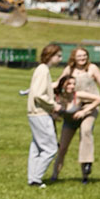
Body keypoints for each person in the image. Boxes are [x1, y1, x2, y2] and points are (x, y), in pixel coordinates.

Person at [57, 47, 100, 186]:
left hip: (91, 106)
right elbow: (59, 84)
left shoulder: (92, 68)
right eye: (79, 56)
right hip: (74, 106)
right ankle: (55, 175)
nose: (82, 58)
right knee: (63, 144)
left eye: (84, 55)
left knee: (86, 131)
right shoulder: (69, 70)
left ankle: (86, 166)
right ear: (74, 57)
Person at [50, 75, 100, 184]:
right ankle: (54, 176)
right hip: (69, 123)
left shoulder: (78, 95)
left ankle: (85, 175)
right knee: (62, 148)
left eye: (74, 84)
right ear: (63, 85)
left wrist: (84, 111)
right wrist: (54, 115)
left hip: (84, 119)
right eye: (69, 84)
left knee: (84, 136)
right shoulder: (57, 97)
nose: (72, 86)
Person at [26, 44, 62, 188]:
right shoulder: (43, 70)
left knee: (36, 147)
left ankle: (33, 179)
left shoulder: (41, 69)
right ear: (50, 55)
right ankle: (36, 178)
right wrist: (54, 105)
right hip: (40, 113)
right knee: (50, 148)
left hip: (34, 113)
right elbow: (39, 94)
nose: (60, 59)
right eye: (58, 56)